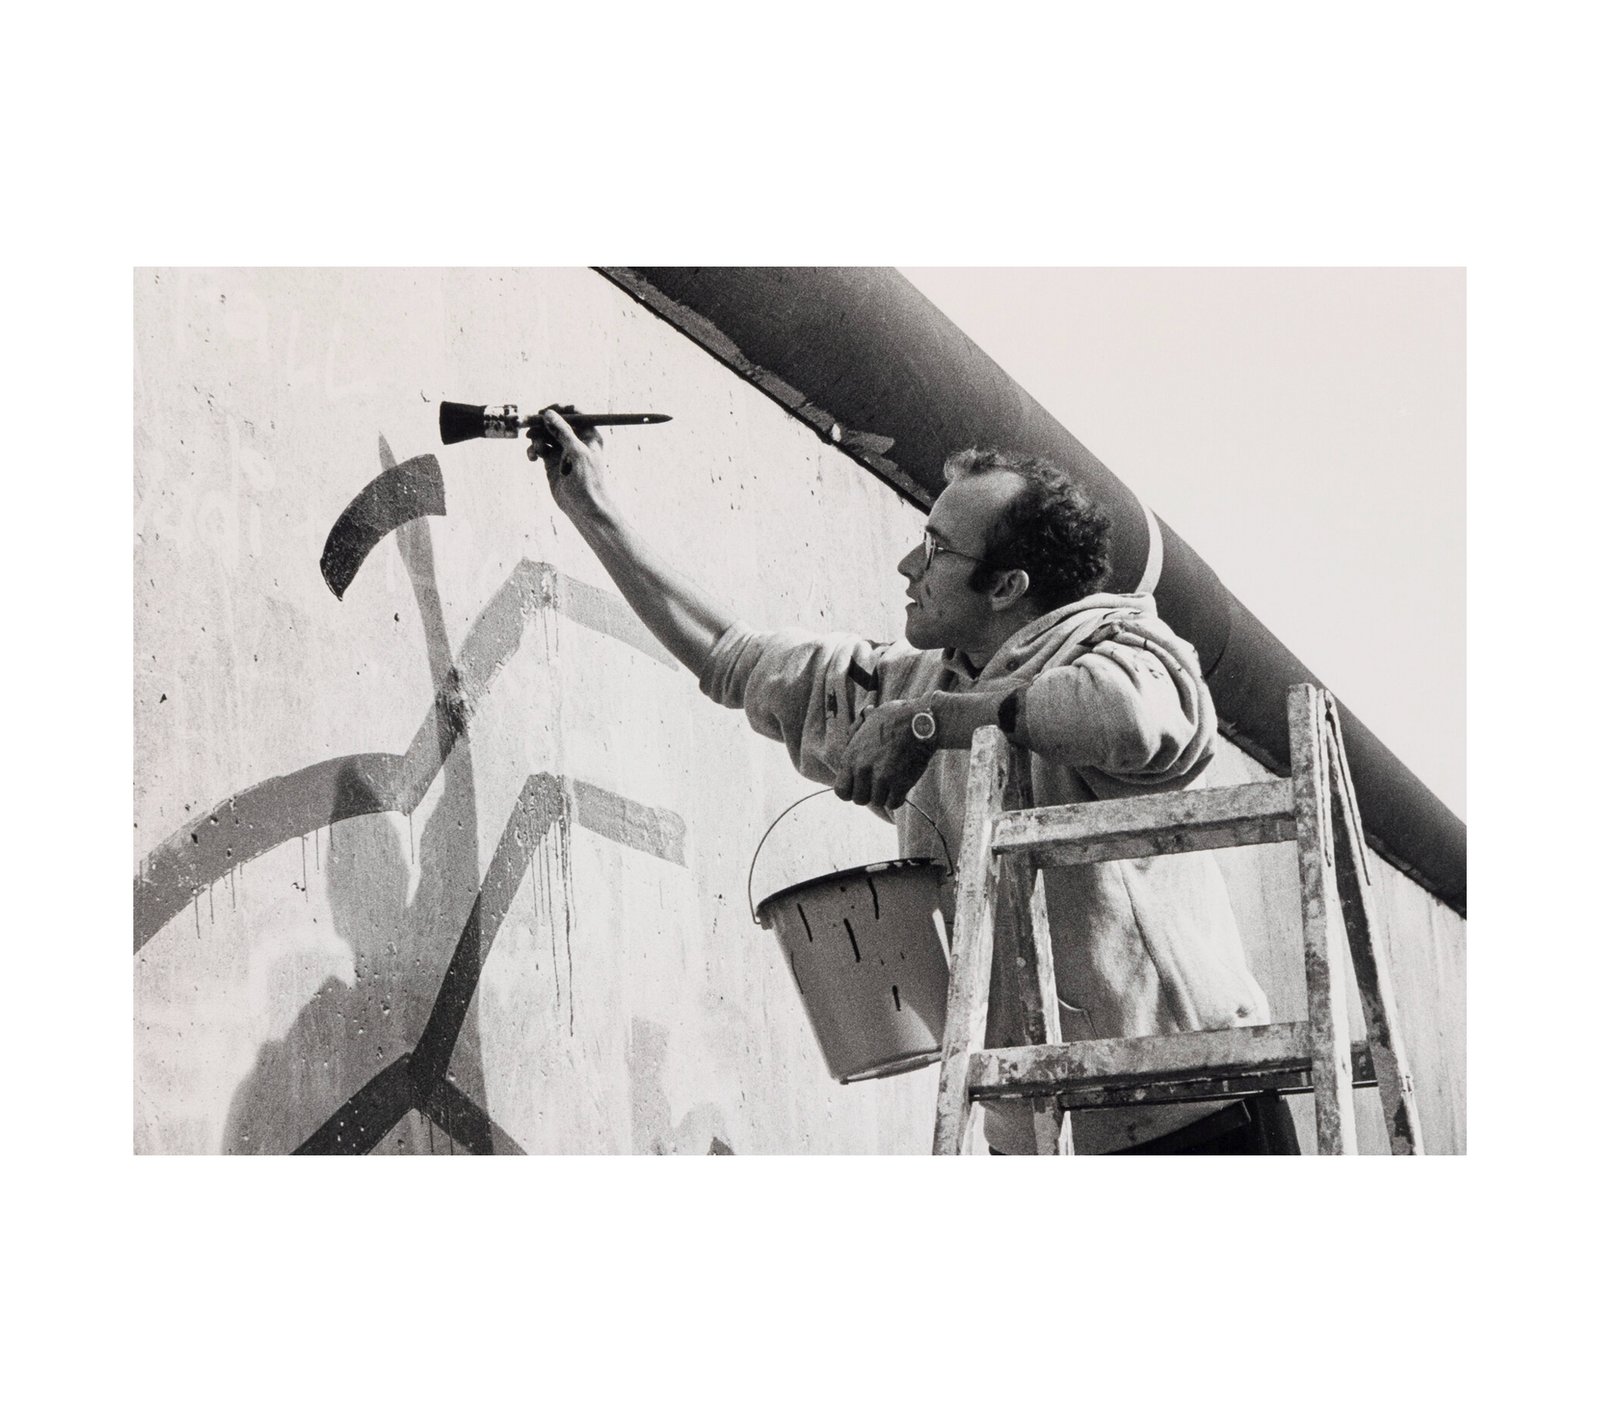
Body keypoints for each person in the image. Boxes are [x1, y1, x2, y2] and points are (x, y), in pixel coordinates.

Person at [533, 409, 1292, 1154]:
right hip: (1035, 1131)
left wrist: (930, 724)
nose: (908, 566)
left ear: (1006, 587)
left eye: (935, 547)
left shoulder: (1118, 642)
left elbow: (1128, 716)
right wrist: (593, 508)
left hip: (1194, 1113)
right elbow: (736, 657)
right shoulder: (913, 683)